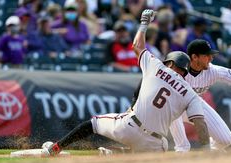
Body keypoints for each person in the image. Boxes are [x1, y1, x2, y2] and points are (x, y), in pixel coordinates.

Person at [42, 9, 209, 155]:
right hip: (154, 143)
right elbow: (200, 124)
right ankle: (117, 153)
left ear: (170, 63)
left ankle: (55, 149)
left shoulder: (158, 67)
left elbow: (137, 46)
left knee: (91, 124)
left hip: (129, 127)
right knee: (164, 145)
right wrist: (207, 149)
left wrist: (144, 24)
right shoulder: (190, 92)